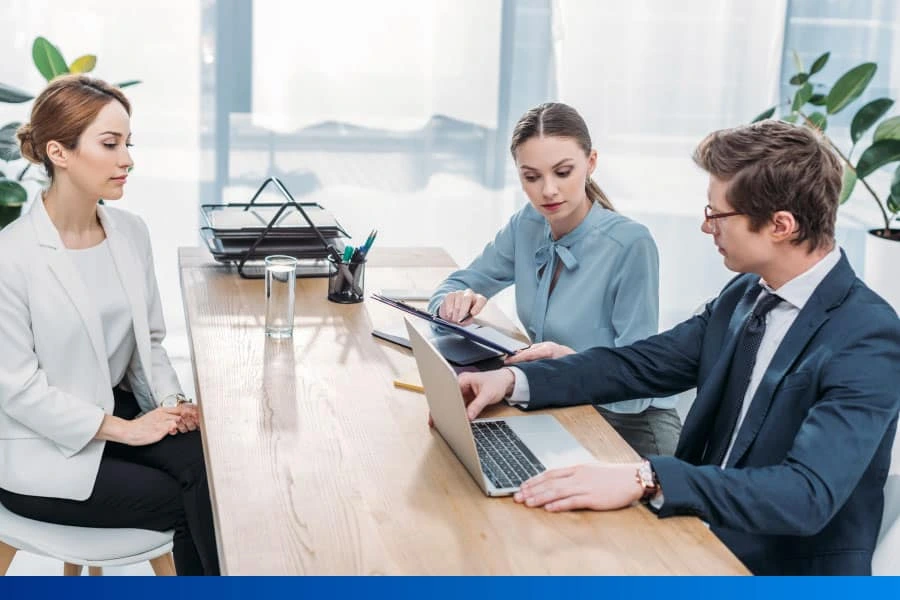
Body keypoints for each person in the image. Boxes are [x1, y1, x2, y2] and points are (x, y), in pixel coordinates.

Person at [453, 120, 900, 575]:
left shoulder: (867, 336)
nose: (707, 227)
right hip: (694, 534)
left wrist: (646, 477)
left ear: (780, 225)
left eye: (717, 215)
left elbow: (806, 494)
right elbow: (641, 364)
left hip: (774, 571)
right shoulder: (746, 294)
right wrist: (513, 379)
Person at [0, 75, 220, 575]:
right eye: (110, 144)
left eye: (128, 144)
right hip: (39, 451)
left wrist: (170, 406)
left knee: (211, 468)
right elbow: (19, 392)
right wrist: (127, 431)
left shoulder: (130, 232)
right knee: (190, 500)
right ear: (59, 152)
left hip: (115, 412)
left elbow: (150, 343)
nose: (127, 160)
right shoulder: (11, 256)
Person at [428, 102, 680, 457]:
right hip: (561, 405)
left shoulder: (630, 245)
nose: (548, 190)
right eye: (531, 177)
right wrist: (451, 305)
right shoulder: (526, 224)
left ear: (591, 163)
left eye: (563, 172)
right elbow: (456, 285)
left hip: (630, 427)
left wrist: (568, 368)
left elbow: (637, 385)